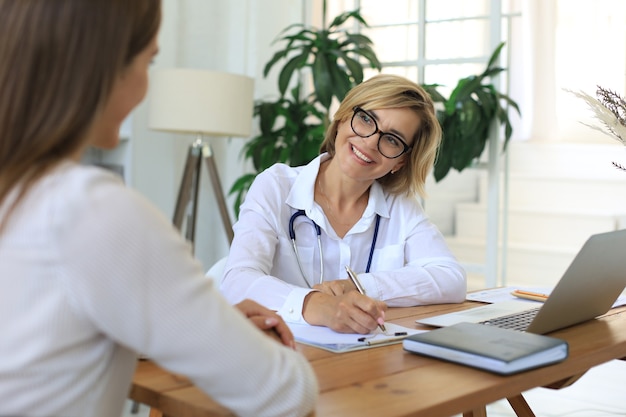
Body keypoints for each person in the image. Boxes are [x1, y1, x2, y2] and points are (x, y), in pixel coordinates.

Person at [0, 1, 318, 417]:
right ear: (105, 66)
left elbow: (46, 343)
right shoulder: (93, 210)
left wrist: (201, 325)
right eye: (149, 61)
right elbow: (285, 394)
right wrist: (222, 337)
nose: (147, 86)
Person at [221, 74, 466, 334]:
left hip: (360, 360)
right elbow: (237, 280)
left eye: (392, 139)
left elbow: (451, 279)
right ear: (342, 117)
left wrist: (360, 286)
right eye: (366, 119)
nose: (371, 142)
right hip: (280, 352)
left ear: (401, 162)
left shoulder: (400, 207)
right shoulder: (276, 186)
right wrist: (315, 305)